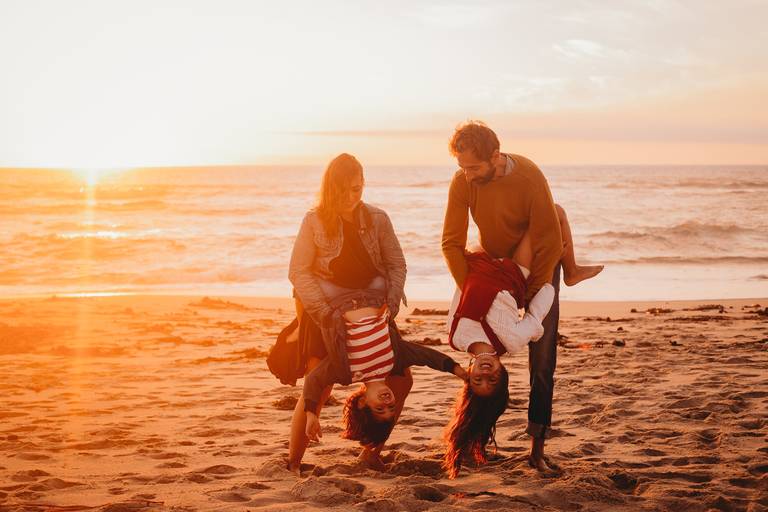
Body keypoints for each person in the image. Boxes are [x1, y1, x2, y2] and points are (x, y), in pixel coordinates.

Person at [286, 153, 466, 474]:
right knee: (319, 384)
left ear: (363, 184)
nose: (350, 197)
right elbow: (299, 272)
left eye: (356, 189)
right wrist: (326, 313)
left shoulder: (378, 219)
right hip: (324, 312)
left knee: (403, 379)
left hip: (374, 305)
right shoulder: (313, 221)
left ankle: (371, 451)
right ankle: (293, 462)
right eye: (342, 191)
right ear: (330, 189)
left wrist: (392, 304)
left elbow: (397, 264)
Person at [441, 121, 602, 474]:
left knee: (542, 361)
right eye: (461, 167)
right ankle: (472, 441)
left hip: (537, 268)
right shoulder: (462, 181)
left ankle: (537, 448)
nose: (466, 175)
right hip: (494, 267)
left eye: (473, 168)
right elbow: (450, 243)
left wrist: (528, 292)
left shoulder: (528, 177)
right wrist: (472, 284)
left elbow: (545, 239)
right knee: (489, 371)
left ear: (495, 157)